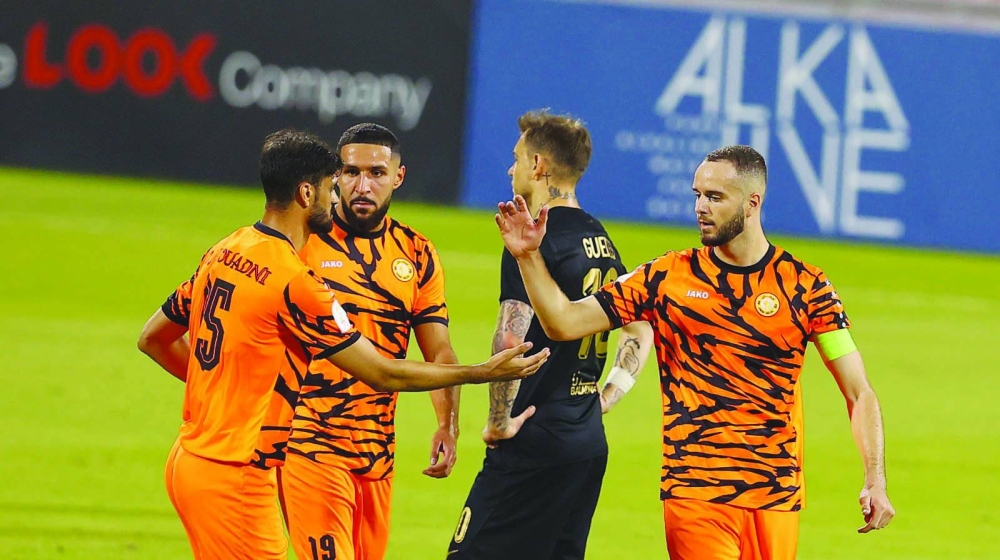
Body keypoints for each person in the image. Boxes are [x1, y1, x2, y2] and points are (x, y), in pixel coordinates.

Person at [136, 129, 547, 560]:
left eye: (375, 173)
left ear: (398, 177)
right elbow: (382, 371)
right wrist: (484, 372)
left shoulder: (228, 249)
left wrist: (226, 391)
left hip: (359, 453)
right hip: (293, 452)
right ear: (307, 192)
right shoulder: (298, 271)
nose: (349, 191)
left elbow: (153, 337)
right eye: (340, 179)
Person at [494, 145, 895, 560]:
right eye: (697, 194)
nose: (700, 207)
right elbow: (564, 322)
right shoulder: (666, 278)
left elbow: (858, 391)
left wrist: (875, 478)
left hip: (776, 497)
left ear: (752, 202)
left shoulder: (806, 286)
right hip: (696, 492)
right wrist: (528, 257)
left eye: (715, 197)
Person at [447, 111, 655, 560]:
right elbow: (639, 326)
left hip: (533, 440)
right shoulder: (599, 237)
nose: (511, 169)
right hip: (586, 442)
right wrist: (609, 394)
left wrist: (499, 422)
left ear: (538, 165)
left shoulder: (531, 239)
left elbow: (511, 339)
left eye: (517, 158)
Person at [280, 123, 460, 560]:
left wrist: (448, 424)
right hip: (309, 444)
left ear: (398, 176)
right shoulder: (302, 242)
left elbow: (438, 350)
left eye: (377, 173)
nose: (363, 186)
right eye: (351, 172)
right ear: (335, 176)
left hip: (377, 455)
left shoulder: (417, 253)